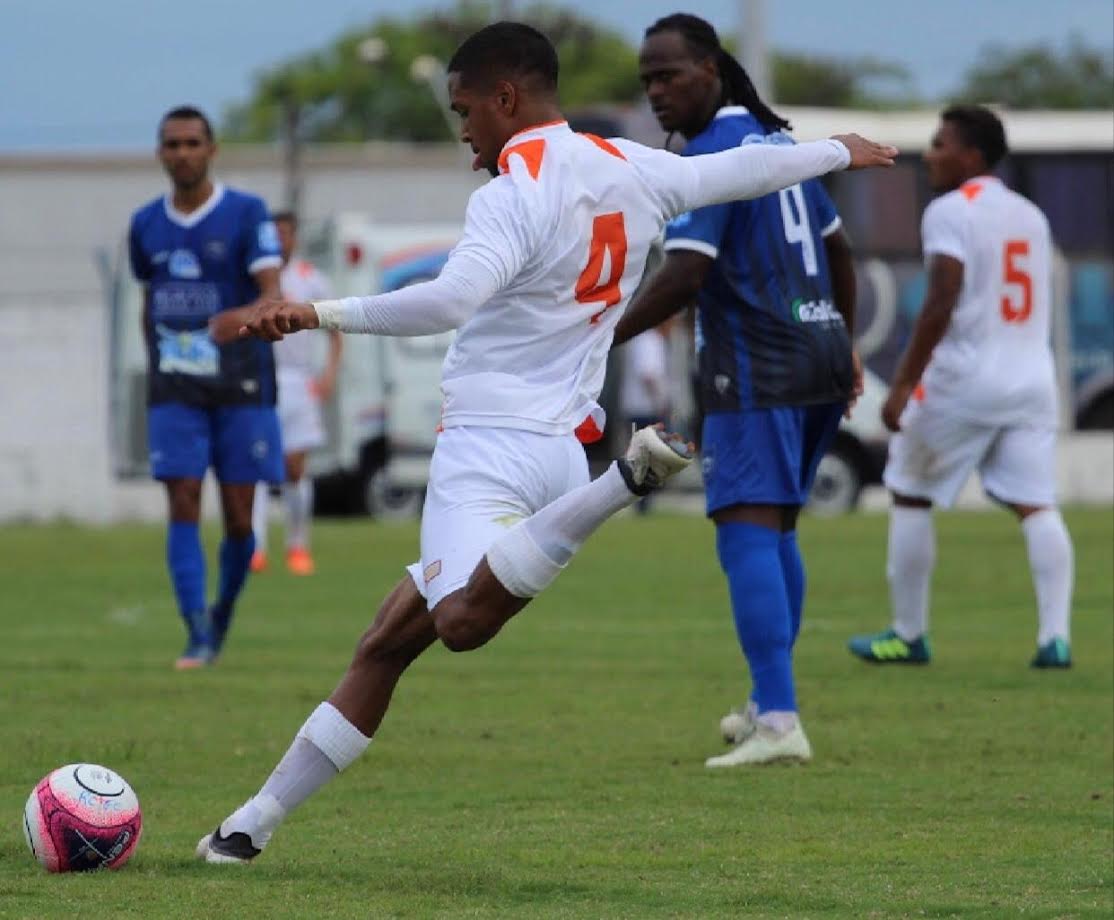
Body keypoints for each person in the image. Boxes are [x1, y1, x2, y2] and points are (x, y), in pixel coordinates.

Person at [194, 22, 895, 863]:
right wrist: (834, 152)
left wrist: (318, 311)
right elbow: (737, 171)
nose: (462, 131)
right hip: (559, 451)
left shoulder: (511, 191)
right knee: (387, 641)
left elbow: (450, 301)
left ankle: (623, 485)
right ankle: (249, 828)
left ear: (505, 98)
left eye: (463, 111)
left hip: (488, 450)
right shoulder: (628, 164)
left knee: (457, 622)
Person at [613, 13, 862, 768]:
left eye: (670, 75)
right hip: (815, 353)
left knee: (745, 532)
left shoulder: (715, 156)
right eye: (647, 79)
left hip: (758, 363)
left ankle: (780, 722)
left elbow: (686, 271)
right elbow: (836, 249)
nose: (657, 92)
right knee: (779, 529)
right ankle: (767, 696)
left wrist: (596, 337)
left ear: (712, 72)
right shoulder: (774, 145)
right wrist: (843, 341)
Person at [848, 105, 1074, 669]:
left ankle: (908, 634)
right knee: (1036, 504)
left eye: (941, 143)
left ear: (972, 155)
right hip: (1031, 379)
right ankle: (1055, 638)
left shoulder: (950, 211)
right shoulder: (1030, 215)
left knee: (908, 489)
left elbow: (940, 301)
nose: (931, 153)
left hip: (966, 377)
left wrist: (902, 385)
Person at [128, 105, 284, 669]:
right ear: (160, 153)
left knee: (241, 518)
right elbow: (150, 296)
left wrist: (236, 317)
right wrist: (160, 360)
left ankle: (222, 614)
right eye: (172, 144)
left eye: (193, 143)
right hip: (176, 390)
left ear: (211, 150)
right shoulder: (145, 224)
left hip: (241, 383)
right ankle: (194, 629)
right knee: (183, 499)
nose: (182, 153)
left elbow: (273, 292)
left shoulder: (246, 213)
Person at [250, 211, 343, 576]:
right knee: (256, 467)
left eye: (285, 234)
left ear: (295, 238)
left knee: (294, 468)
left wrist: (329, 374)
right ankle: (255, 549)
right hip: (260, 381)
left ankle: (298, 546)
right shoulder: (254, 278)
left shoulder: (310, 279)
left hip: (298, 381)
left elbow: (335, 329)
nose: (279, 241)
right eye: (273, 234)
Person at [619, 324, 672, 513]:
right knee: (646, 458)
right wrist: (661, 402)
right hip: (645, 408)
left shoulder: (641, 338)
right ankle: (641, 501)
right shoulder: (649, 340)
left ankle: (642, 500)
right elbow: (648, 374)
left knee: (642, 458)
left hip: (637, 407)